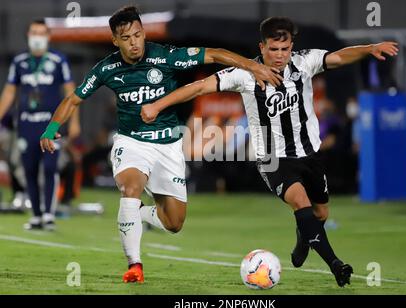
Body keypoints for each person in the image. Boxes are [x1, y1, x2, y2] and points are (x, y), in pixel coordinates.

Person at [142, 17, 398, 287]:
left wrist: (369, 48)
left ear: (292, 47)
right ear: (262, 47)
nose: (279, 56)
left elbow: (338, 58)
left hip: (310, 154)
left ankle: (303, 237)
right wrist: (158, 106)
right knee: (301, 203)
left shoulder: (303, 62)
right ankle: (336, 264)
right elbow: (199, 87)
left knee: (320, 214)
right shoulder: (244, 75)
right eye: (273, 50)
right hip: (273, 159)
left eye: (284, 49)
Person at [40, 6, 282, 283]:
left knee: (174, 223)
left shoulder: (165, 56)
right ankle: (135, 265)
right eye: (127, 37)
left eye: (138, 35)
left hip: (169, 147)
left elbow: (214, 53)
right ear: (115, 41)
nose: (134, 42)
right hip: (131, 143)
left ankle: (136, 213)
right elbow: (73, 99)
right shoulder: (106, 68)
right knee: (130, 188)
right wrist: (51, 129)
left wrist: (253, 66)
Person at [0, 19, 80, 229]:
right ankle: (36, 215)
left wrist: (73, 121)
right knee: (29, 169)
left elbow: (71, 92)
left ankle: (48, 214)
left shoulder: (58, 60)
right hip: (26, 123)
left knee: (50, 168)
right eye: (34, 32)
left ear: (48, 36)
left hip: (50, 124)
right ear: (28, 35)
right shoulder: (19, 62)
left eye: (41, 32)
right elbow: (10, 91)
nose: (37, 36)